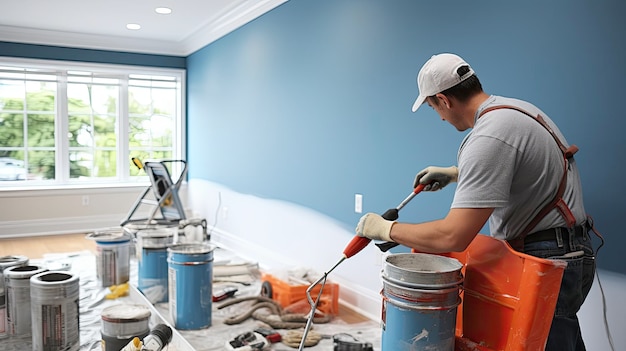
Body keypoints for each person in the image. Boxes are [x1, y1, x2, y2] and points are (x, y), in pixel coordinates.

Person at [355, 53, 595, 350]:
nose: (441, 118)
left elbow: (453, 235)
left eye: (434, 108)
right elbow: (526, 167)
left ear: (444, 100)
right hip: (569, 250)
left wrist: (385, 229)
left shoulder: (488, 136)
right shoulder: (515, 110)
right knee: (562, 340)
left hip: (549, 257)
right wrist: (457, 174)